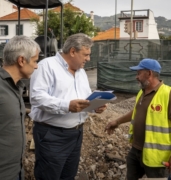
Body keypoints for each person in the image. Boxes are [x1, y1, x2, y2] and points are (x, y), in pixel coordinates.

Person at [29, 33, 106, 180]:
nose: (88, 59)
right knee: (49, 176)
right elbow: (36, 97)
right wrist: (66, 106)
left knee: (68, 176)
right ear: (72, 51)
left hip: (76, 134)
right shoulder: (47, 66)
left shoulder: (81, 72)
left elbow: (84, 98)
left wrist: (95, 106)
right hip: (52, 135)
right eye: (85, 55)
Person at [105, 58, 171, 180]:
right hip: (136, 151)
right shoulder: (142, 92)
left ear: (149, 73)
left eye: (139, 73)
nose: (136, 77)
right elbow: (135, 112)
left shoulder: (168, 95)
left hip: (157, 158)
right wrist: (117, 121)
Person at [0, 35, 40, 180]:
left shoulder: (15, 88)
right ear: (22, 60)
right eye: (35, 61)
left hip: (16, 171)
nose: (36, 66)